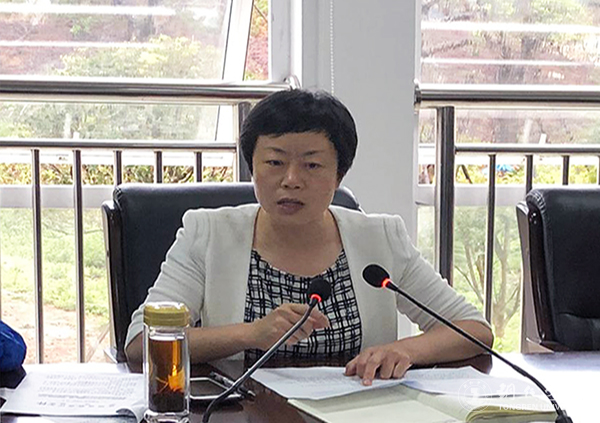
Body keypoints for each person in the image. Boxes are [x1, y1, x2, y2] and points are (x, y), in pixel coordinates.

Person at [125, 89, 493, 385]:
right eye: (274, 162)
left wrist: (405, 350)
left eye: (312, 165)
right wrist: (251, 334)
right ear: (252, 167)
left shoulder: (380, 238)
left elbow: (474, 330)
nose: (291, 180)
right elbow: (142, 343)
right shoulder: (207, 234)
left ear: (339, 175)